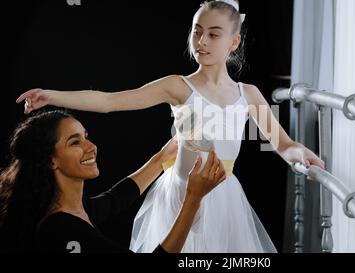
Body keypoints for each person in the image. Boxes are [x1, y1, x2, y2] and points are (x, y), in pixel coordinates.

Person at [16, 0, 325, 252]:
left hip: (223, 191)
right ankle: (190, 150)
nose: (201, 42)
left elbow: (283, 144)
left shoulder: (250, 94)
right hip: (180, 188)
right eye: (197, 31)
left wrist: (301, 156)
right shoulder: (178, 87)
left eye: (213, 34)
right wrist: (51, 95)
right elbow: (111, 101)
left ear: (234, 42)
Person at [0, 110, 226, 253]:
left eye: (86, 137)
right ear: (51, 161)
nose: (92, 147)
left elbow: (116, 198)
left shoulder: (77, 210)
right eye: (75, 142)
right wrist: (193, 198)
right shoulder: (60, 229)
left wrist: (161, 158)